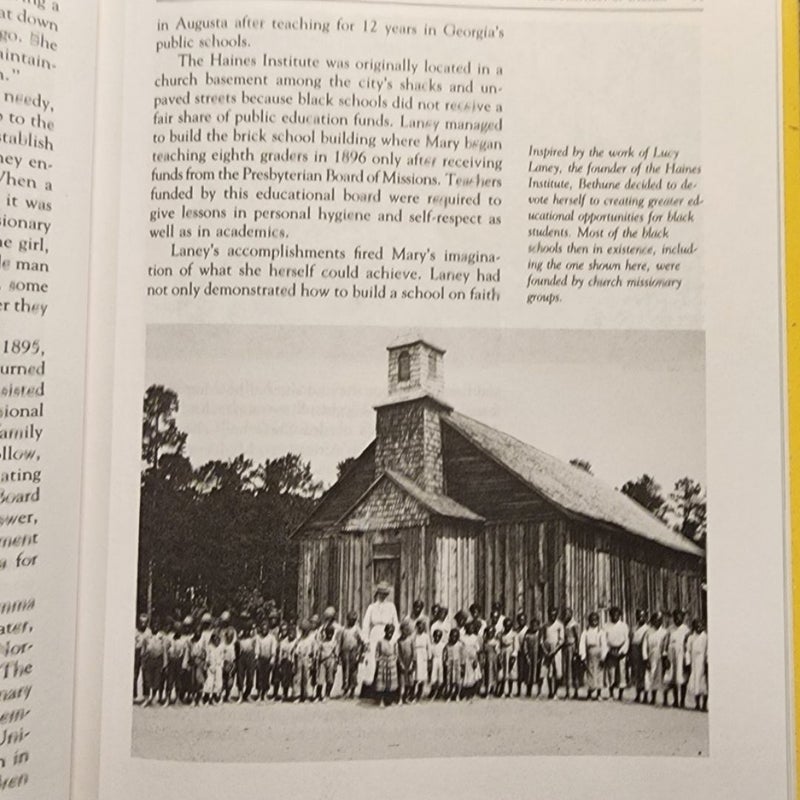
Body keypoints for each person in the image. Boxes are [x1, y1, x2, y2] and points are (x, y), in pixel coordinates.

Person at [361, 582, 400, 693]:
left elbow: (396, 624)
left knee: (388, 660)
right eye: (381, 594)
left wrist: (393, 640)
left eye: (385, 594)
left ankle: (389, 688)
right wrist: (366, 640)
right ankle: (373, 689)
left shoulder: (391, 606)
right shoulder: (371, 607)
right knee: (374, 660)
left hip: (388, 635)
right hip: (375, 635)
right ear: (377, 594)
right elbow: (366, 624)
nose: (383, 596)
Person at [141, 617, 169, 707]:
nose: (155, 627)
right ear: (151, 626)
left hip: (158, 660)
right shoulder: (146, 636)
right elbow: (143, 649)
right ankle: (146, 698)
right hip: (149, 659)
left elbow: (164, 650)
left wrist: (165, 663)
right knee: (147, 679)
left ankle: (153, 697)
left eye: (157, 625)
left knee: (156, 680)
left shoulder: (162, 637)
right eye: (154, 625)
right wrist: (143, 662)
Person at [579, 612, 607, 701]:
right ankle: (590, 694)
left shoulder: (601, 632)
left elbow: (604, 645)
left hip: (599, 653)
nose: (594, 621)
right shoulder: (586, 631)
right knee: (590, 673)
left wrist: (603, 656)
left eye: (596, 620)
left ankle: (599, 694)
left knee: (599, 673)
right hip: (590, 653)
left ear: (598, 621)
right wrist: (583, 656)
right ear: (589, 621)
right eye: (592, 620)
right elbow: (582, 644)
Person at [643, 612, 669, 705]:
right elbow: (644, 646)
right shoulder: (648, 632)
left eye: (659, 620)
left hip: (662, 657)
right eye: (655, 620)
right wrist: (646, 659)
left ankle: (665, 699)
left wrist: (665, 658)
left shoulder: (665, 632)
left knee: (663, 677)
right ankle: (652, 698)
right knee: (651, 676)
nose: (657, 622)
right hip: (651, 656)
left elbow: (666, 646)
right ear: (652, 621)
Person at [666, 609, 690, 708]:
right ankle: (675, 700)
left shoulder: (686, 630)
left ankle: (682, 701)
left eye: (679, 617)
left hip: (682, 656)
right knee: (673, 679)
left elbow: (688, 646)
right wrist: (666, 657)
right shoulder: (670, 629)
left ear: (683, 618)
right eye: (675, 617)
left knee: (683, 678)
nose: (677, 619)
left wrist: (687, 660)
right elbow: (667, 644)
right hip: (672, 656)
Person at [604, 606, 629, 700]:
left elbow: (627, 640)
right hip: (610, 651)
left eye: (617, 614)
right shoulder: (606, 626)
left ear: (620, 615)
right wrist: (608, 652)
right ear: (610, 615)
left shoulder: (624, 626)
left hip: (621, 651)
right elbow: (604, 640)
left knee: (621, 672)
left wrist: (622, 651)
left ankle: (620, 694)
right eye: (613, 615)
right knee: (611, 672)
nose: (615, 616)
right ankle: (611, 693)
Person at [339, 611, 364, 699]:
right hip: (345, 652)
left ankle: (352, 690)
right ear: (347, 620)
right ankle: (345, 689)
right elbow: (340, 641)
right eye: (350, 620)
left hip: (354, 651)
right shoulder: (343, 629)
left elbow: (362, 642)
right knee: (345, 671)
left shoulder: (357, 629)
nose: (351, 622)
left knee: (353, 671)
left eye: (353, 620)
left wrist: (360, 654)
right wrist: (339, 654)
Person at [685, 619, 708, 711]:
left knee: (703, 682)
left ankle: (704, 704)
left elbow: (707, 650)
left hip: (702, 661)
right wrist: (688, 662)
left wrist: (707, 662)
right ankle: (697, 704)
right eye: (697, 626)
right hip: (694, 662)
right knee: (695, 682)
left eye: (701, 625)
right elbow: (687, 651)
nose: (699, 627)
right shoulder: (691, 637)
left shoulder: (705, 637)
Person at [542, 608, 565, 698]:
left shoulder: (559, 625)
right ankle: (550, 692)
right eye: (551, 615)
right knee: (549, 672)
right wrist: (545, 650)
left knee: (558, 672)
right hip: (547, 650)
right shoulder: (545, 625)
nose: (552, 616)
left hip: (556, 650)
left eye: (554, 615)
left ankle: (555, 691)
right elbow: (542, 638)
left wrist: (554, 650)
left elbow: (562, 640)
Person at [374, 623, 399, 707]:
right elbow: (377, 653)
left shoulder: (394, 641)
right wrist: (379, 661)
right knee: (382, 682)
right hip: (383, 663)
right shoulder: (380, 641)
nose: (390, 633)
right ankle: (381, 700)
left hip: (391, 663)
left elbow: (396, 653)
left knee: (391, 683)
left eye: (392, 631)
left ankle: (390, 700)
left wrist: (393, 660)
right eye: (388, 631)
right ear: (385, 631)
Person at [293, 619, 317, 702]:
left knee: (307, 678)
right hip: (299, 659)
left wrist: (313, 661)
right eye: (303, 630)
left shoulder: (312, 640)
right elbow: (295, 650)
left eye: (306, 630)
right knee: (298, 677)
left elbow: (314, 651)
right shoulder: (299, 639)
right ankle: (297, 695)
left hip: (308, 659)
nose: (304, 632)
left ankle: (307, 695)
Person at [165, 620, 188, 704]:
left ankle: (177, 698)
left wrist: (184, 664)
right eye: (176, 629)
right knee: (169, 680)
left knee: (178, 681)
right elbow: (165, 650)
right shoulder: (169, 637)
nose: (177, 630)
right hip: (171, 661)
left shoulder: (184, 639)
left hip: (179, 661)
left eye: (179, 629)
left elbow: (185, 652)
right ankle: (168, 698)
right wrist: (166, 663)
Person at [629, 609, 649, 703]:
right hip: (635, 651)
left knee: (644, 674)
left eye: (642, 616)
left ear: (646, 617)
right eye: (638, 616)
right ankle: (638, 695)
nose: (640, 618)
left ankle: (645, 696)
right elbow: (631, 640)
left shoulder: (647, 629)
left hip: (643, 651)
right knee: (636, 673)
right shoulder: (634, 628)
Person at [256, 620, 278, 701]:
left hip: (268, 659)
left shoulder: (272, 637)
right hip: (261, 658)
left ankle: (265, 694)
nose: (264, 630)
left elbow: (273, 648)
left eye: (266, 628)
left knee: (266, 676)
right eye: (263, 628)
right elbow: (257, 648)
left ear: (268, 629)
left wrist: (273, 658)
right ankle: (259, 694)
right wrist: (256, 657)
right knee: (259, 676)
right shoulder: (258, 637)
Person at [236, 618, 257, 702]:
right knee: (240, 675)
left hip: (250, 655)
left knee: (250, 676)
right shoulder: (239, 637)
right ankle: (240, 695)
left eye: (248, 630)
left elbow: (256, 644)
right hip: (241, 655)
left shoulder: (253, 637)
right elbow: (236, 643)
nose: (246, 631)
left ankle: (247, 694)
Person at [563, 608, 581, 700]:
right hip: (565, 648)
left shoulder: (574, 624)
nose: (566, 615)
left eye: (567, 613)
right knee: (567, 670)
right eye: (565, 613)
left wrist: (577, 651)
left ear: (571, 614)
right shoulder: (565, 624)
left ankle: (576, 692)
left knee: (574, 670)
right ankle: (567, 691)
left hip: (572, 648)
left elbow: (577, 638)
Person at [521, 617, 542, 698]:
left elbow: (542, 644)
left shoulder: (540, 633)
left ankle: (539, 691)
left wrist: (540, 656)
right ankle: (528, 691)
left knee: (538, 673)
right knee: (529, 673)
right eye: (532, 625)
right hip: (530, 655)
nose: (534, 627)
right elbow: (525, 645)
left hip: (538, 656)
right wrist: (526, 655)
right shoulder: (528, 633)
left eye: (536, 625)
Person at [318, 623, 339, 700]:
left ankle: (327, 694)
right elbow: (318, 652)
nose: (329, 635)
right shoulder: (322, 642)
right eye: (328, 633)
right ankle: (318, 695)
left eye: (331, 633)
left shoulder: (334, 643)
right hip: (322, 662)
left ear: (333, 633)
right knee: (320, 679)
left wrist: (335, 665)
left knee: (330, 679)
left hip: (331, 661)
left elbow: (336, 654)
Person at [202, 630, 224, 704]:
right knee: (209, 682)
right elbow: (207, 657)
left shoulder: (221, 646)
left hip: (218, 666)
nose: (216, 640)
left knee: (218, 683)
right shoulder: (209, 647)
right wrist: (208, 665)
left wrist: (221, 665)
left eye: (217, 638)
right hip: (211, 666)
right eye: (214, 638)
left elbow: (222, 657)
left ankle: (215, 697)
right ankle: (207, 698)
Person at [461, 621, 482, 700]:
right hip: (465, 659)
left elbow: (477, 650)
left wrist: (476, 660)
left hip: (473, 659)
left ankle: (472, 693)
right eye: (469, 628)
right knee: (466, 677)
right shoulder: (462, 637)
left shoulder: (475, 638)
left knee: (474, 676)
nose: (471, 630)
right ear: (466, 629)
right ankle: (465, 693)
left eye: (473, 628)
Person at [498, 617, 518, 698]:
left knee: (511, 673)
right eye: (506, 625)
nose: (507, 627)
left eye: (509, 626)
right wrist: (499, 653)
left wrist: (514, 655)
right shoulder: (500, 634)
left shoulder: (514, 634)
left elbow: (516, 646)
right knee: (503, 672)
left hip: (511, 653)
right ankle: (502, 691)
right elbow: (498, 645)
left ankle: (510, 691)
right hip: (503, 653)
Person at [413, 617, 431, 701]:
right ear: (416, 627)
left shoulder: (426, 636)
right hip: (416, 656)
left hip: (423, 656)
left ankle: (419, 694)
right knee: (415, 676)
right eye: (419, 626)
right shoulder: (414, 636)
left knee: (423, 676)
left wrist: (429, 657)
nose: (420, 628)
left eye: (422, 626)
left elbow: (429, 647)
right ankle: (413, 693)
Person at [444, 627, 464, 701]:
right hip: (450, 664)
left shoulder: (460, 645)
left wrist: (462, 666)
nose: (454, 638)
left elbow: (462, 656)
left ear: (458, 637)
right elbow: (445, 655)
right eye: (452, 636)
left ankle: (457, 694)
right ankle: (449, 695)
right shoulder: (447, 645)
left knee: (457, 680)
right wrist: (445, 662)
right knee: (449, 680)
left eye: (456, 636)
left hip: (457, 664)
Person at [397, 620, 415, 703]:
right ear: (401, 630)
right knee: (402, 682)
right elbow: (398, 653)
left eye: (407, 630)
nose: (405, 632)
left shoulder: (410, 640)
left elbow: (413, 652)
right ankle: (400, 698)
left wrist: (412, 663)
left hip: (409, 662)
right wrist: (400, 663)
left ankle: (406, 697)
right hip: (403, 663)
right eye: (403, 630)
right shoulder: (399, 641)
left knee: (409, 682)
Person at [134, 613, 151, 702]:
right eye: (141, 622)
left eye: (145, 622)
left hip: (145, 654)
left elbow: (150, 644)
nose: (143, 624)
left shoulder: (148, 632)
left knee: (146, 675)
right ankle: (134, 695)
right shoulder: (135, 631)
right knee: (135, 674)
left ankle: (146, 696)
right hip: (136, 653)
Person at [277, 623, 296, 702]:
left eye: (293, 633)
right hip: (285, 662)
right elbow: (281, 652)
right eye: (290, 633)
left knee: (294, 678)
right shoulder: (284, 641)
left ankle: (294, 695)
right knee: (285, 678)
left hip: (294, 662)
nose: (291, 635)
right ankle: (285, 694)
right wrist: (279, 662)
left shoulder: (296, 641)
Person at [221, 626, 237, 702]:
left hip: (230, 664)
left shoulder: (232, 646)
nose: (229, 637)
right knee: (222, 681)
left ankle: (227, 696)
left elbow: (233, 659)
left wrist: (232, 668)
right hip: (223, 663)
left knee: (230, 682)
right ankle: (220, 696)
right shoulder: (223, 645)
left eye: (231, 636)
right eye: (228, 636)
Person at [484, 625, 500, 697]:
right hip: (487, 660)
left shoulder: (496, 642)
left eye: (491, 632)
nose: (490, 634)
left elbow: (498, 651)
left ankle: (493, 690)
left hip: (494, 660)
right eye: (488, 632)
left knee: (494, 673)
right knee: (487, 675)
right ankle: (487, 690)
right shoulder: (485, 642)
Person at [429, 627, 446, 699]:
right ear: (433, 636)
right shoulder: (431, 645)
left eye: (439, 636)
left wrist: (444, 660)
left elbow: (445, 654)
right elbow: (430, 654)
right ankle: (433, 691)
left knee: (441, 676)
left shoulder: (443, 645)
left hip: (441, 661)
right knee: (433, 676)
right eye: (436, 636)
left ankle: (440, 691)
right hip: (434, 661)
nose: (437, 638)